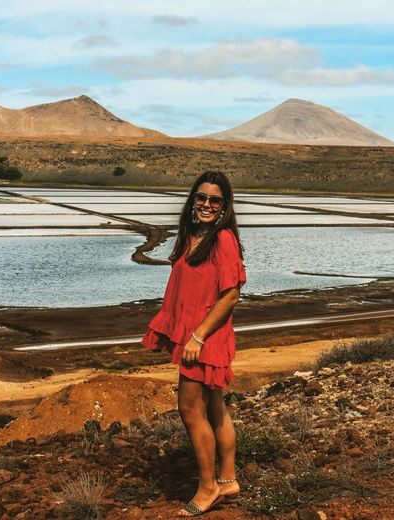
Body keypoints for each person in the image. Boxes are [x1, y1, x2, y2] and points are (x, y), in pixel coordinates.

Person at [141, 170, 246, 517]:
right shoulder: (193, 236)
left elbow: (231, 296)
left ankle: (208, 487)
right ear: (192, 201)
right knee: (215, 406)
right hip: (199, 336)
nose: (206, 204)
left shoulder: (223, 240)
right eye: (201, 197)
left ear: (224, 207)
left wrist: (197, 336)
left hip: (205, 338)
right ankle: (227, 479)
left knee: (189, 410)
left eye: (214, 200)